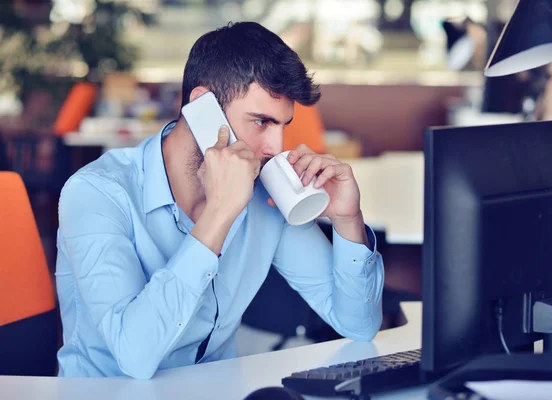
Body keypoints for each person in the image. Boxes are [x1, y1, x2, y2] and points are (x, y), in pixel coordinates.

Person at [55, 21, 384, 379]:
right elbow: (134, 356)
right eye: (261, 122)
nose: (275, 146)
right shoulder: (96, 193)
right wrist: (220, 213)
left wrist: (347, 220)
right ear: (202, 108)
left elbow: (359, 325)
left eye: (283, 125)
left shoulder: (267, 195)